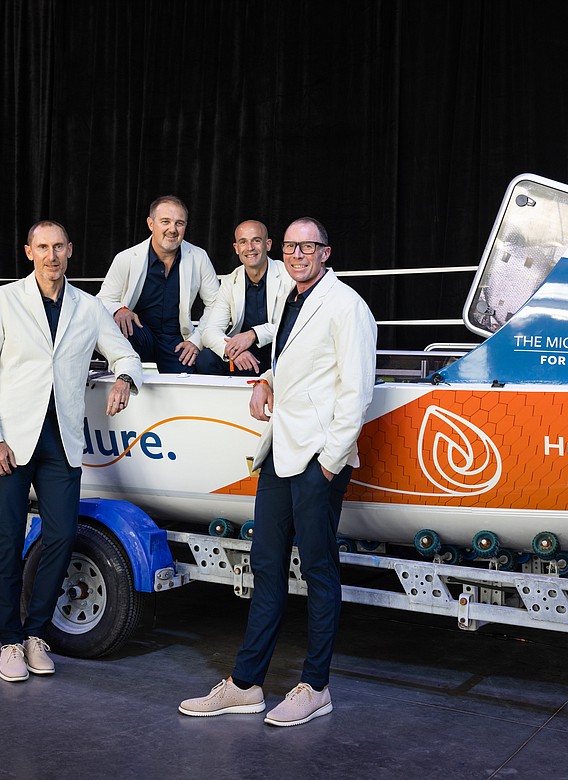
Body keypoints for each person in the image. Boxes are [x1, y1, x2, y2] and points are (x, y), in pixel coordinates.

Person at [179, 217, 377, 726]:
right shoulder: (289, 298)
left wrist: (331, 463)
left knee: (318, 572)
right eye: (290, 247)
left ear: (326, 252)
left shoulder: (347, 306)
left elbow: (357, 392)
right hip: (279, 454)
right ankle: (246, 685)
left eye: (308, 247)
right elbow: (295, 360)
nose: (297, 255)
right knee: (266, 568)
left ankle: (316, 686)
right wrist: (265, 379)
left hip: (317, 461)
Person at [0, 220, 143, 683]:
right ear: (29, 252)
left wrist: (124, 379)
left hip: (62, 440)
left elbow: (124, 354)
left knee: (62, 536)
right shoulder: (4, 300)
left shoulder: (88, 307)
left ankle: (36, 635)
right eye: (42, 247)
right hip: (9, 440)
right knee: (7, 540)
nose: (51, 255)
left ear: (70, 251)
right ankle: (9, 641)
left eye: (59, 247)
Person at [98, 195, 220, 373]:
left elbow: (216, 305)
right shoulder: (126, 258)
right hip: (140, 338)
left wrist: (196, 340)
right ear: (150, 224)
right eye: (165, 222)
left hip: (177, 344)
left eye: (179, 223)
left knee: (191, 381)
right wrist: (119, 309)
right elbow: (101, 300)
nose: (172, 229)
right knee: (119, 325)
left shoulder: (198, 257)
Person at [193, 220, 292, 376]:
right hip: (246, 357)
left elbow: (292, 325)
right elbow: (210, 331)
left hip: (281, 352)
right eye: (243, 242)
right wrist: (233, 352)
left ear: (268, 244)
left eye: (256, 241)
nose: (250, 248)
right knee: (205, 359)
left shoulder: (288, 276)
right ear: (236, 248)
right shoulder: (230, 281)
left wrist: (253, 334)